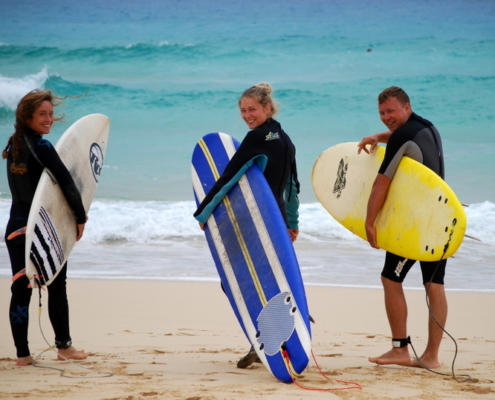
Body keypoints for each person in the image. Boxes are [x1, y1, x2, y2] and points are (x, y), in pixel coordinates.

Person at [194, 82, 300, 368]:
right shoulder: (285, 138)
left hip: (258, 223)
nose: (247, 115)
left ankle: (262, 340)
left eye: (252, 109)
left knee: (237, 282)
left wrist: (203, 213)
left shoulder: (256, 139)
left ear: (267, 108)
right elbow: (291, 187)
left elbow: (229, 176)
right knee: (272, 281)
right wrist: (292, 222)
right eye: (243, 110)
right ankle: (278, 341)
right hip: (276, 223)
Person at [357, 86, 447, 369]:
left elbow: (381, 182)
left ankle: (400, 350)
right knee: (434, 284)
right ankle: (431, 356)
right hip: (441, 218)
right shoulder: (426, 127)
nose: (386, 117)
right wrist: (377, 136)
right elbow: (399, 137)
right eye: (382, 113)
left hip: (416, 227)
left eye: (391, 111)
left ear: (406, 107)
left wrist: (369, 222)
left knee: (390, 279)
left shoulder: (403, 137)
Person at [3, 89, 88, 366]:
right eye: (43, 114)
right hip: (40, 230)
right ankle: (64, 347)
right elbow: (66, 183)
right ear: (27, 116)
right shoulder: (42, 147)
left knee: (21, 289)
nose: (49, 119)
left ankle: (23, 354)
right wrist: (80, 217)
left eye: (51, 114)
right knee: (56, 285)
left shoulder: (12, 144)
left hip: (15, 228)